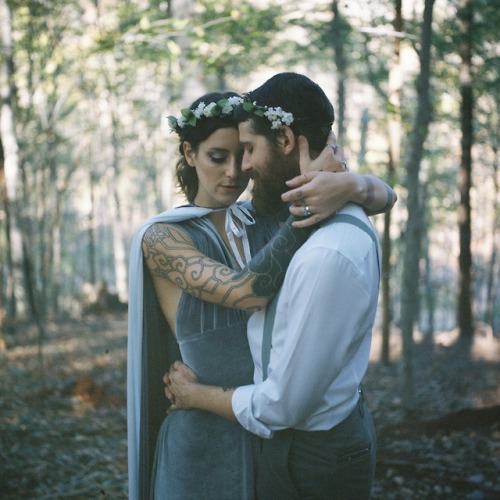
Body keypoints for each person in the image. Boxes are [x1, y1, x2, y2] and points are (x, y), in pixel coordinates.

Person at [128, 88, 396, 499]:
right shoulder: (164, 236)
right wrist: (309, 205)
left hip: (267, 432)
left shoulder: (261, 216)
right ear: (189, 153)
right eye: (218, 157)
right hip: (202, 434)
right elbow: (246, 293)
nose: (235, 172)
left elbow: (388, 196)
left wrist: (351, 184)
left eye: (243, 155)